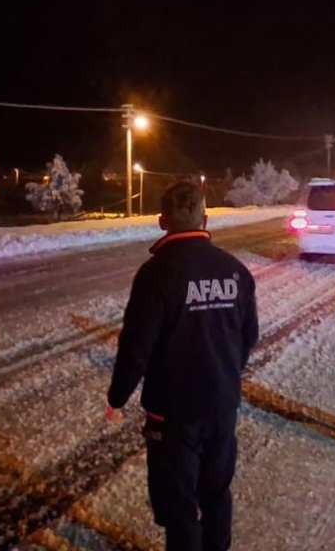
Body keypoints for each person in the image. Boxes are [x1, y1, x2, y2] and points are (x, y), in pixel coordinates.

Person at [106, 181, 259, 551]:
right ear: (205, 220)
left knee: (179, 508)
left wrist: (118, 396)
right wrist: (224, 372)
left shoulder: (157, 274)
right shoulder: (234, 270)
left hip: (172, 414)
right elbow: (248, 336)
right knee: (216, 494)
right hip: (221, 406)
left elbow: (136, 347)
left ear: (162, 222)